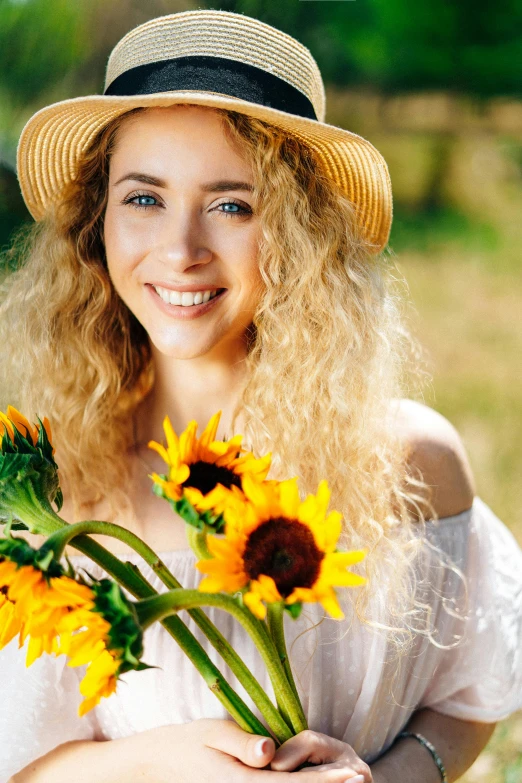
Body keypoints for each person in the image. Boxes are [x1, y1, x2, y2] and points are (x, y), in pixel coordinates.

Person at [1, 9, 521, 783]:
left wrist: (382, 779)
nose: (181, 250)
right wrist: (156, 761)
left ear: (299, 234)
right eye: (143, 198)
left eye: (232, 205)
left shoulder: (410, 465)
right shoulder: (58, 491)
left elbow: (471, 695)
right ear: (94, 222)